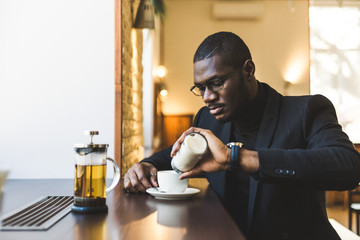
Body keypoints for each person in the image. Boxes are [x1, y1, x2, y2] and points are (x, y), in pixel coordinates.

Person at [124, 31, 360, 240]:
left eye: (216, 83)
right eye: (201, 87)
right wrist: (146, 164)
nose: (207, 97)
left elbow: (348, 167)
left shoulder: (306, 111)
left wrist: (235, 158)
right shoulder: (206, 119)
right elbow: (172, 155)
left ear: (248, 70)